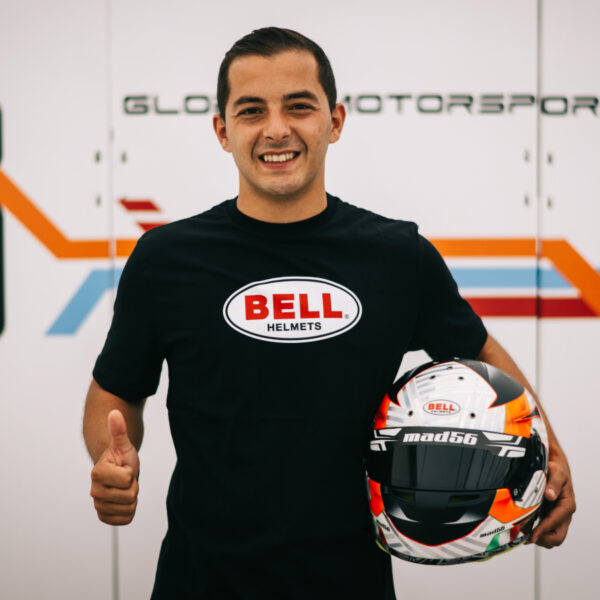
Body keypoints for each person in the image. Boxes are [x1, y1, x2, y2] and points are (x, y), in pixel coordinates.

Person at [83, 27, 575, 600]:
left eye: (299, 106)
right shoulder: (166, 259)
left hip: (352, 582)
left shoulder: (398, 256)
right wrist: (111, 461)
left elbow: (480, 355)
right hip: (201, 580)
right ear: (222, 131)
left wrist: (550, 458)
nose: (276, 129)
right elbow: (114, 393)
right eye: (251, 110)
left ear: (335, 121)